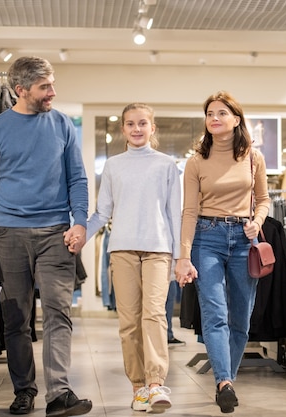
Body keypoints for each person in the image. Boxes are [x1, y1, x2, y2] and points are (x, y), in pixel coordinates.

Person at [0, 56, 92, 416]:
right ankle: (24, 390)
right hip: (8, 234)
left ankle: (60, 393)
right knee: (16, 317)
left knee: (58, 311)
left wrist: (80, 222)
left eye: (52, 84)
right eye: (45, 87)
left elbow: (78, 179)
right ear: (20, 90)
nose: (52, 92)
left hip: (57, 233)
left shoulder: (63, 125)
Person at [70, 103, 181, 413]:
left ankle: (156, 383)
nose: (136, 128)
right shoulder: (114, 166)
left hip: (159, 250)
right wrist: (82, 235)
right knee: (129, 322)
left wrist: (180, 257)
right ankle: (138, 387)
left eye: (143, 123)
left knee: (155, 315)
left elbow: (175, 213)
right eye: (130, 123)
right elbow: (102, 212)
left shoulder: (166, 165)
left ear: (152, 128)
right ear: (123, 130)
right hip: (121, 250)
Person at [175, 90, 271, 414]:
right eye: (209, 114)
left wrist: (256, 222)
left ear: (236, 120)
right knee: (215, 315)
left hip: (244, 240)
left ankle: (226, 376)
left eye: (221, 113)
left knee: (241, 320)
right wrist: (184, 255)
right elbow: (189, 211)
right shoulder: (196, 161)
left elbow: (265, 199)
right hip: (207, 238)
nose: (214, 118)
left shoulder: (253, 158)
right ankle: (224, 384)